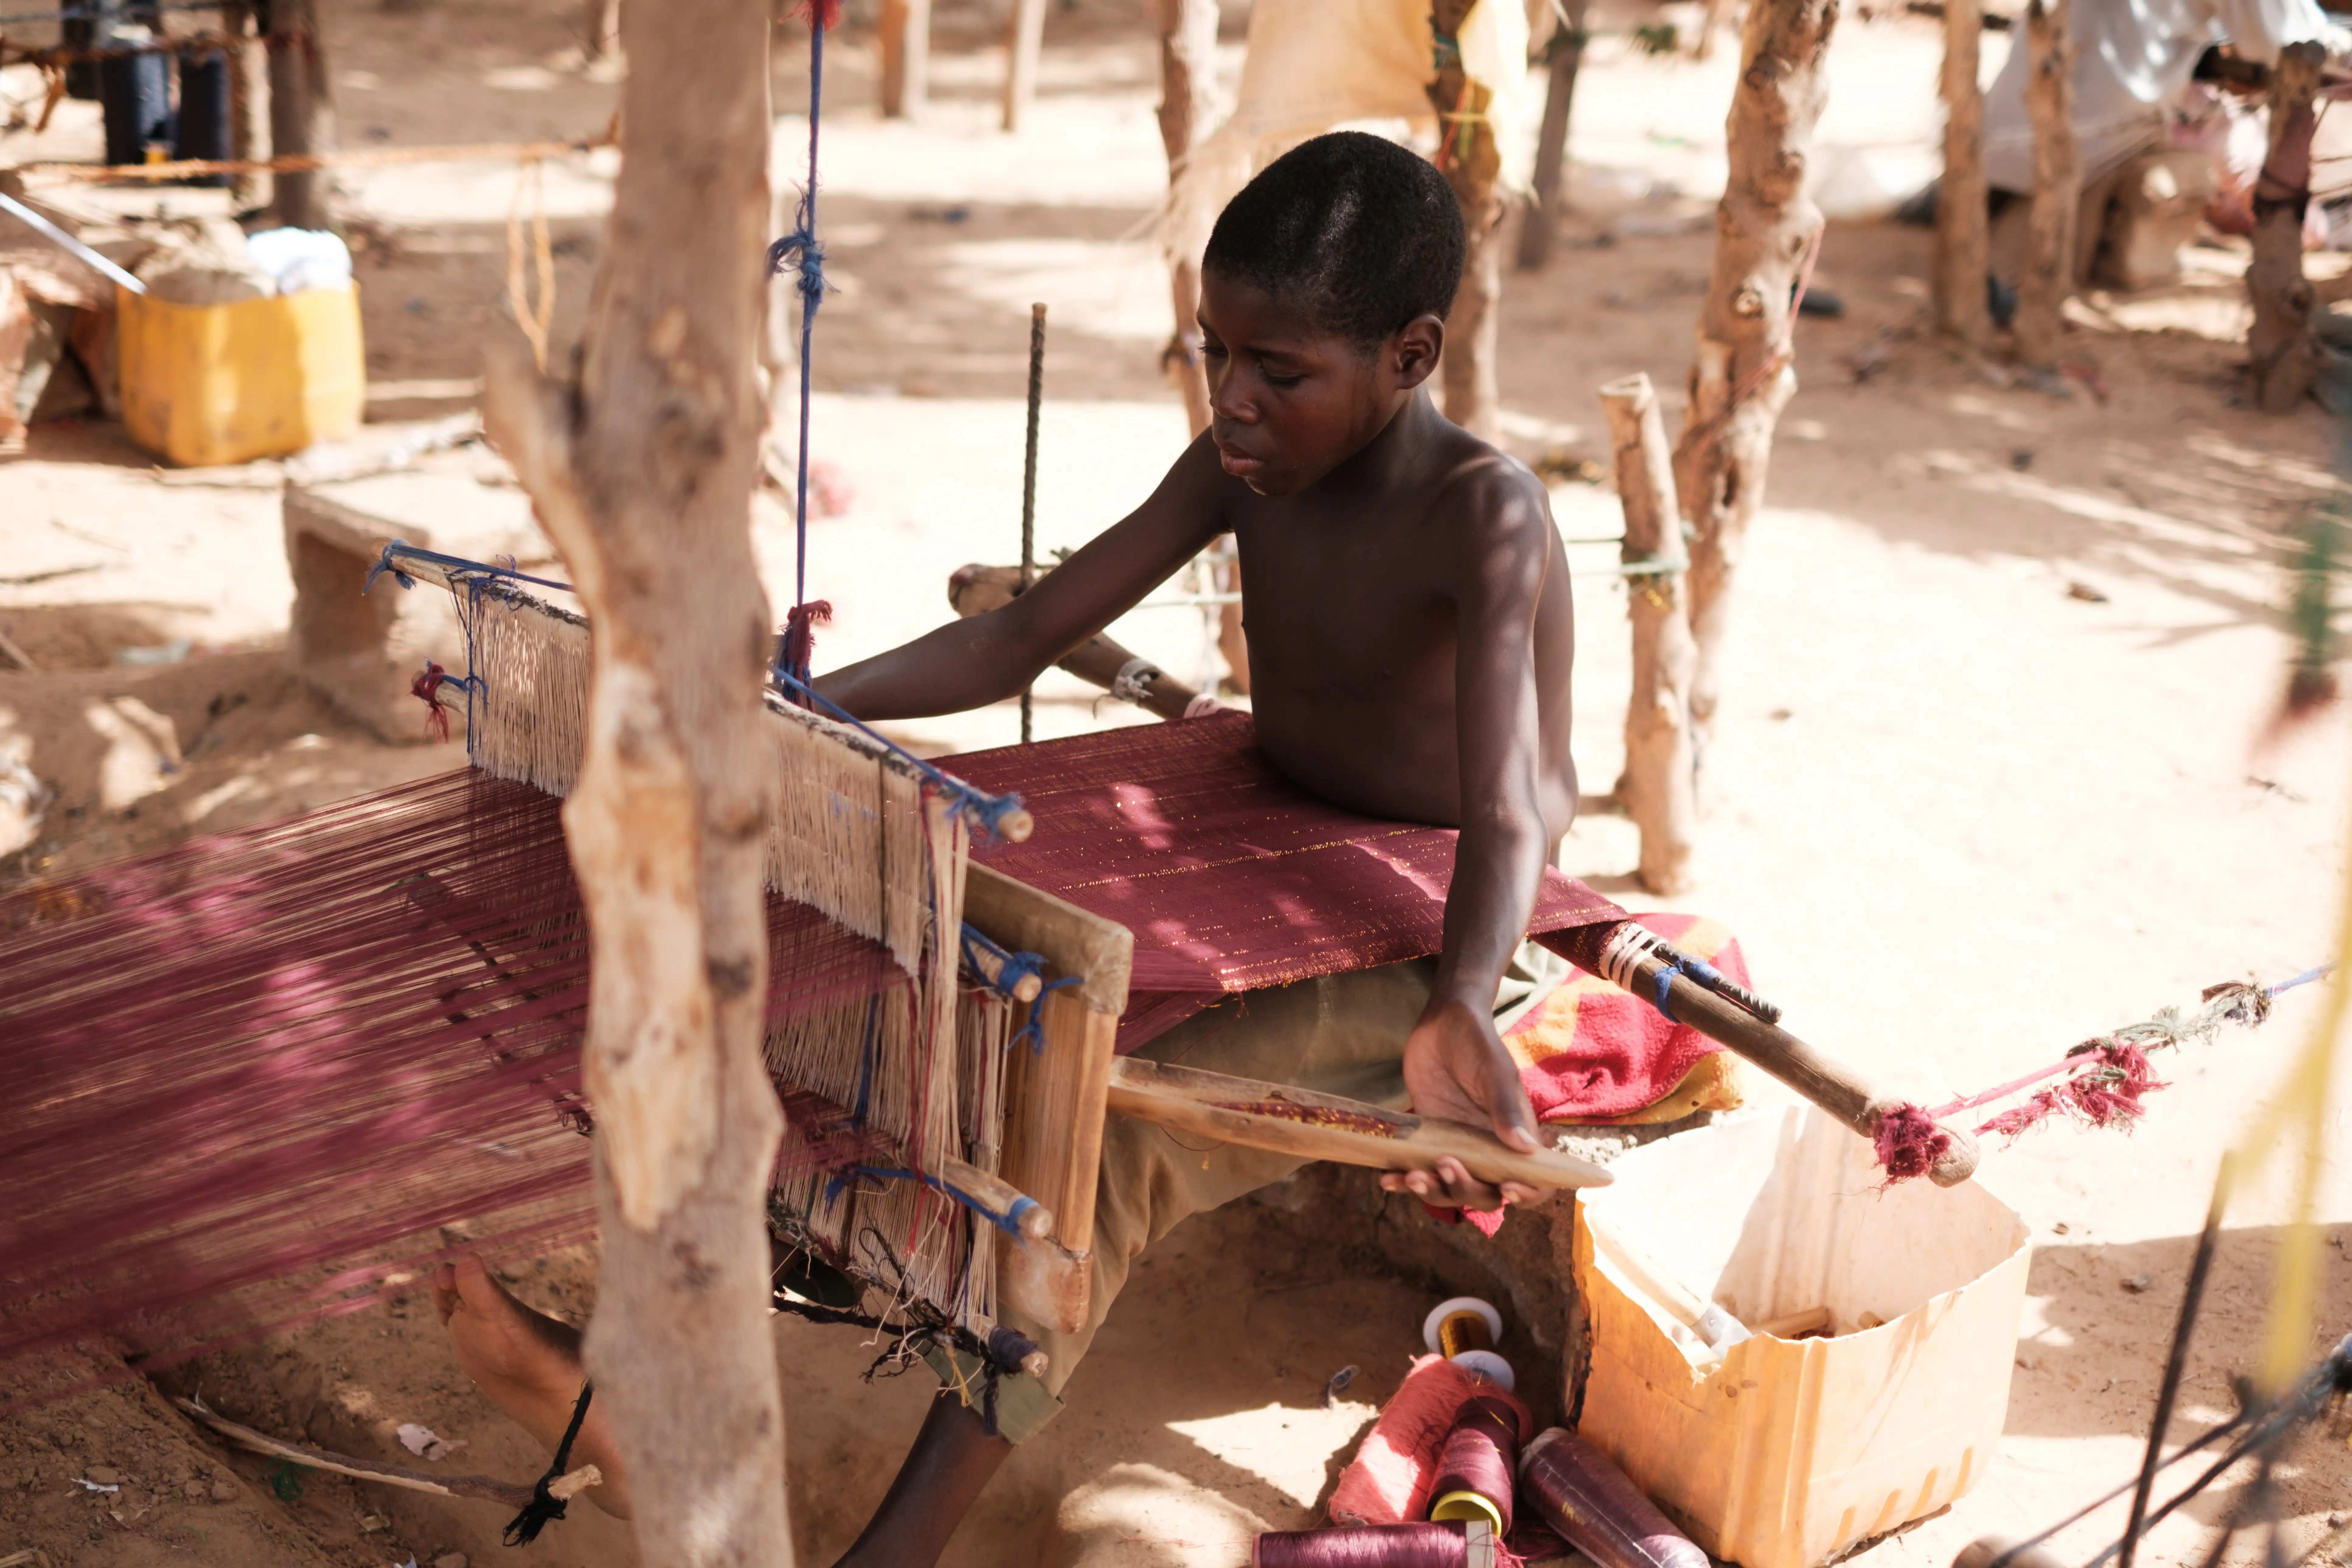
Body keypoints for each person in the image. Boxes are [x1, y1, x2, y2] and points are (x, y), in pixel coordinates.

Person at [436, 128, 1583, 1566]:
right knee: (844, 947)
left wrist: (1463, 997)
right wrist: (791, 704)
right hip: (1251, 809)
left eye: (1278, 371)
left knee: (1086, 1136)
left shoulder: (1487, 516)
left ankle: (890, 1552)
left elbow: (1519, 807)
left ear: (1412, 356)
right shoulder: (1243, 461)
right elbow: (1018, 634)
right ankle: (640, 1380)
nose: (1230, 396)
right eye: (1216, 351)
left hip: (1431, 903)